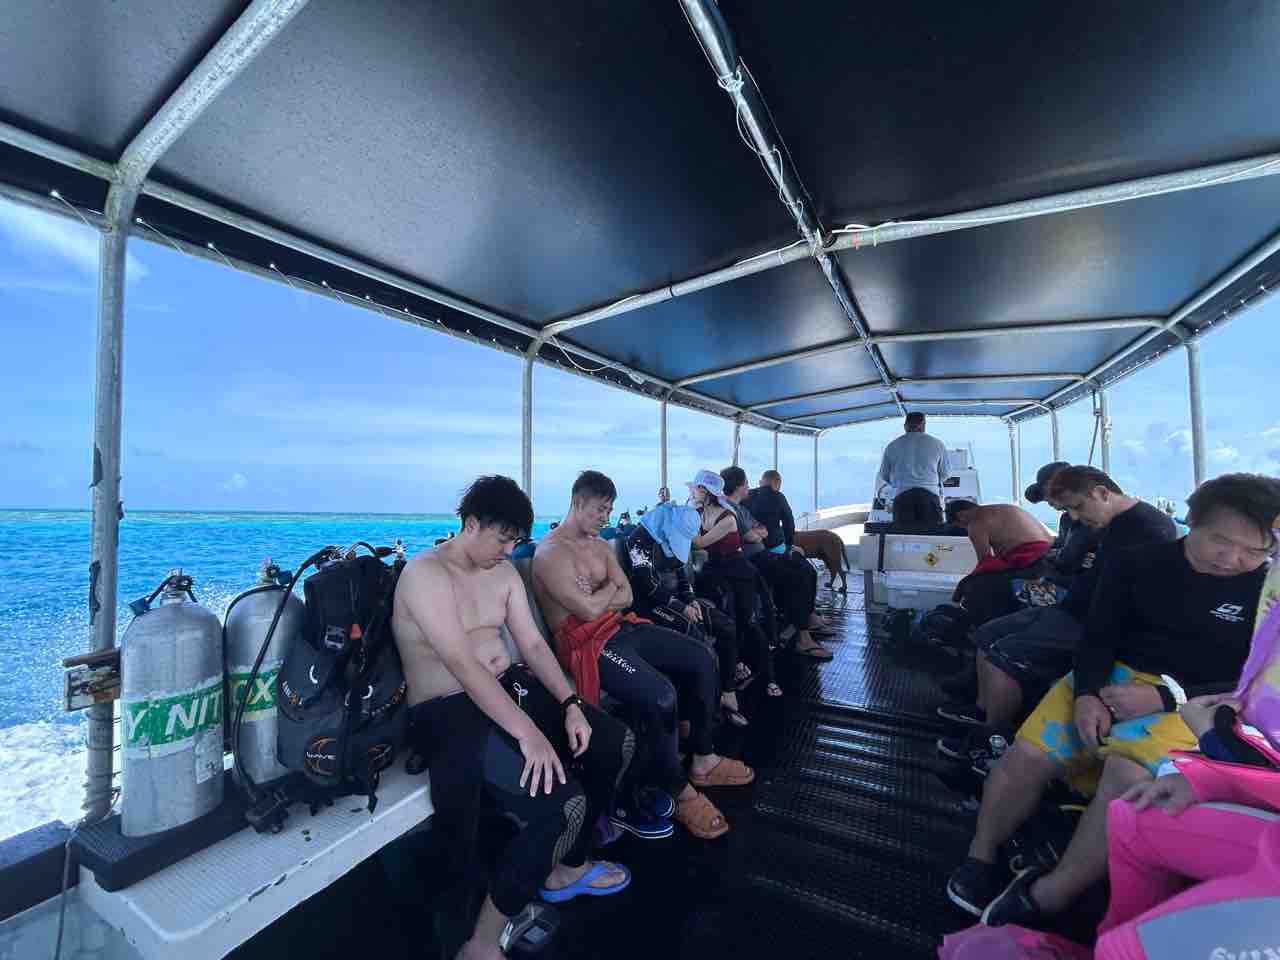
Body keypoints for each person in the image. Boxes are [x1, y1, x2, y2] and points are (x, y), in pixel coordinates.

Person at [946, 473, 1280, 924]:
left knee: (1127, 774)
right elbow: (1098, 636)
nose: (1231, 558)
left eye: (1253, 551)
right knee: (1026, 756)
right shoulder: (1137, 562)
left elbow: (1252, 676)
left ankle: (1050, 894)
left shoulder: (1267, 593)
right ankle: (979, 856)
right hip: (1108, 676)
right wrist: (1087, 694)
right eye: (1219, 540)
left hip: (1194, 701)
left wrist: (1165, 696)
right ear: (1192, 522)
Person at [392, 476, 633, 960]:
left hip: (507, 687)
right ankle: (479, 944)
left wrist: (570, 705)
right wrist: (530, 735)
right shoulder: (425, 574)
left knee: (613, 741)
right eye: (501, 539)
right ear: (471, 524)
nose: (508, 551)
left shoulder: (502, 573)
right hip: (448, 707)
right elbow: (462, 665)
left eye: (515, 541)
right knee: (563, 807)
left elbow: (534, 645)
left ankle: (566, 867)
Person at [531, 470, 754, 842]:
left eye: (610, 510)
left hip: (619, 626)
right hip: (587, 644)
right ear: (578, 502)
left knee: (701, 657)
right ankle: (678, 790)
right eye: (600, 509)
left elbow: (628, 596)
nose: (605, 518)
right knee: (661, 694)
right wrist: (608, 592)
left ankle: (703, 758)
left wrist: (600, 595)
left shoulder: (600, 545)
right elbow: (586, 611)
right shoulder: (550, 553)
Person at [938, 467, 1175, 736]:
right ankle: (981, 711)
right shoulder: (1108, 523)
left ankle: (993, 734)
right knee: (986, 635)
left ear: (1102, 493)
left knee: (1003, 654)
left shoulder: (1148, 529)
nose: (1074, 516)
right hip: (1070, 608)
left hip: (1092, 623)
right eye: (1068, 510)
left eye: (1077, 507)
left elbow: (1124, 604)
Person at [620, 498, 780, 727]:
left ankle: (727, 691)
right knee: (693, 634)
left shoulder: (673, 530)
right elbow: (648, 585)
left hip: (675, 600)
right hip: (649, 604)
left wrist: (691, 600)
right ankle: (697, 712)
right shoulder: (639, 540)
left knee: (726, 626)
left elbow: (681, 575)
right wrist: (681, 607)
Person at [945, 499, 1056, 629]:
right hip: (1051, 555)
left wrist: (962, 587)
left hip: (1030, 561)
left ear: (961, 516)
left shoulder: (975, 523)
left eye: (960, 526)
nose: (964, 528)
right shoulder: (1007, 507)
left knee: (975, 585)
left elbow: (985, 562)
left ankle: (978, 629)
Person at [876, 411, 950, 525]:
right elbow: (945, 473)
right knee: (932, 532)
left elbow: (884, 474)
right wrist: (930, 482)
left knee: (904, 533)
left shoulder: (892, 445)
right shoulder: (937, 444)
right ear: (923, 425)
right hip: (929, 497)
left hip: (902, 497)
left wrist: (899, 483)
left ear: (905, 426)